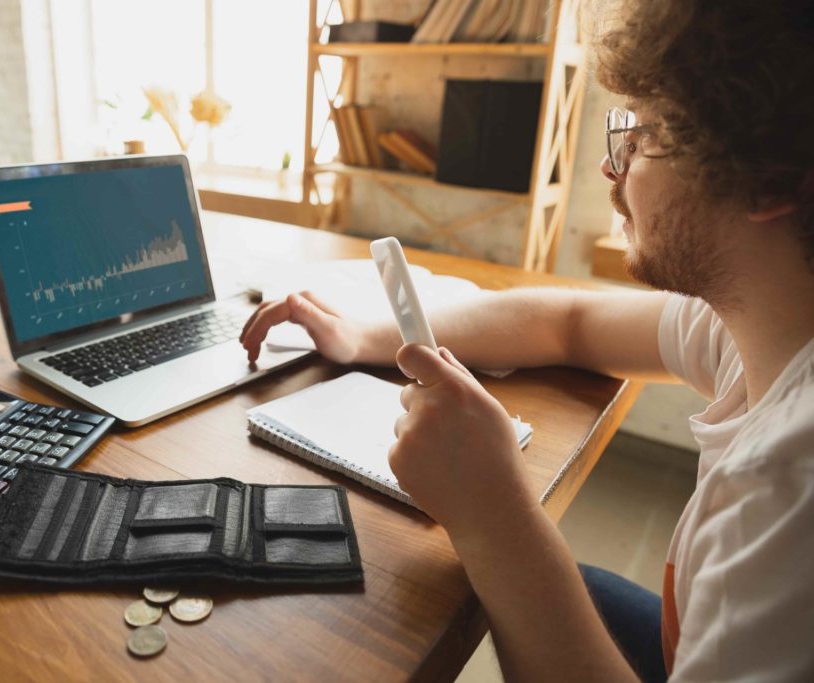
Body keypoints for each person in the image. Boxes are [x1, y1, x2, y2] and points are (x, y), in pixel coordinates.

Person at [239, 1, 814, 680]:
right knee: (578, 586)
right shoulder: (757, 315)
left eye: (644, 138)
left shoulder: (785, 488)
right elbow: (564, 321)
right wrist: (362, 335)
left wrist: (491, 510)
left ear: (769, 180)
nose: (613, 168)